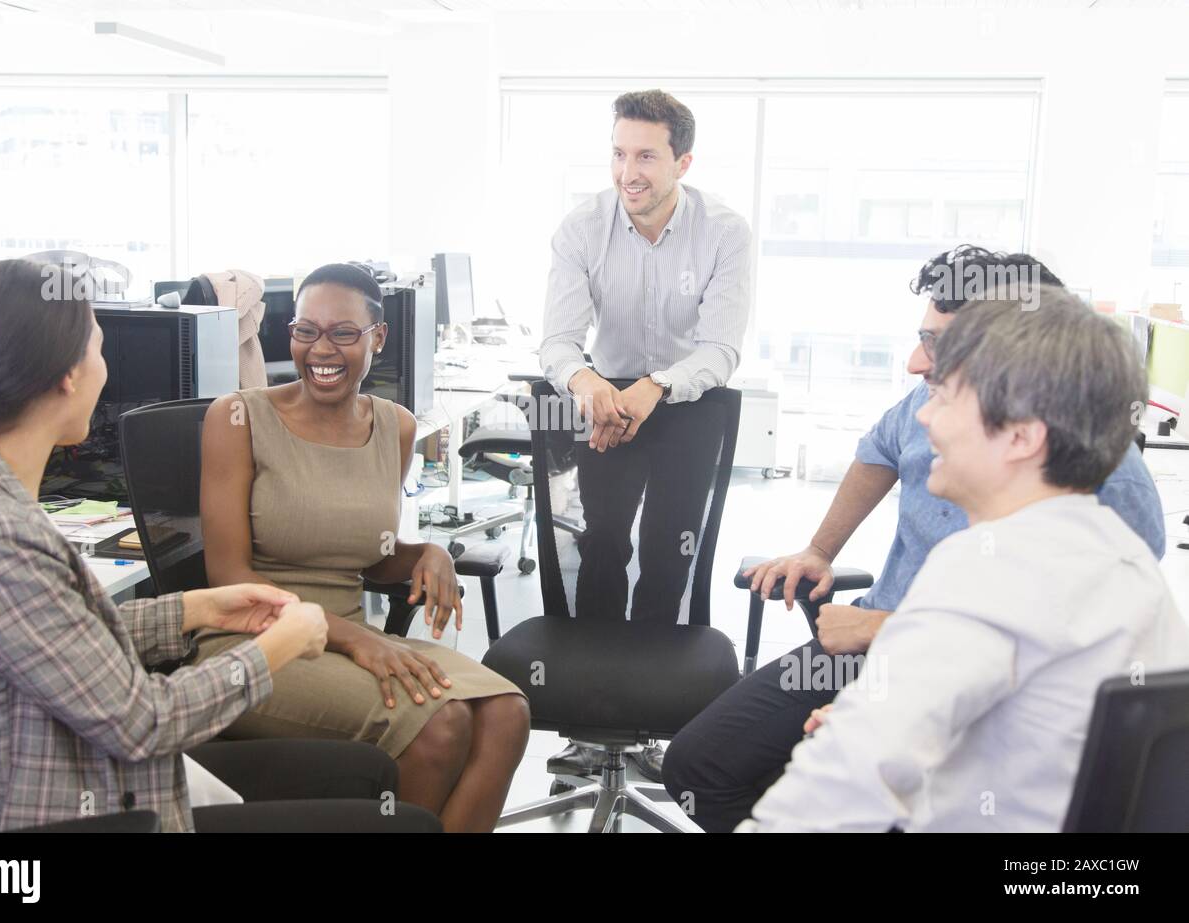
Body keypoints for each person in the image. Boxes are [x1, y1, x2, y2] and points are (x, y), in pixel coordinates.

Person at [0, 259, 435, 833]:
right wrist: (279, 644)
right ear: (68, 376)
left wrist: (194, 609)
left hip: (80, 776)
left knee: (370, 773)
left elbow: (55, 643)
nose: (106, 369)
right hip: (90, 806)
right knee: (407, 822)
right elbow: (144, 721)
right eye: (100, 350)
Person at [661, 247, 1166, 832]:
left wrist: (879, 733)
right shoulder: (1089, 548)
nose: (923, 410)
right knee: (708, 764)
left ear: (1023, 423)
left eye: (951, 386)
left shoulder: (1008, 563)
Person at [199, 262, 530, 833]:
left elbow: (372, 555)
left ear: (377, 338)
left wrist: (431, 552)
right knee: (441, 725)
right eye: (306, 331)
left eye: (343, 333)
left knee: (507, 714)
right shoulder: (237, 418)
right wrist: (359, 642)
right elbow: (229, 576)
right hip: (254, 644)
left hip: (347, 637)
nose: (321, 349)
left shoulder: (395, 427)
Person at [537, 88, 752, 780]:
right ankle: (589, 720)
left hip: (685, 400)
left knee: (668, 553)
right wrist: (588, 384)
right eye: (620, 153)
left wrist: (656, 385)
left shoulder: (724, 231)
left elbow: (720, 348)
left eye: (647, 156)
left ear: (682, 161)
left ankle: (655, 719)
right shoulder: (581, 228)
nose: (630, 171)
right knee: (601, 544)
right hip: (606, 398)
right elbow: (558, 341)